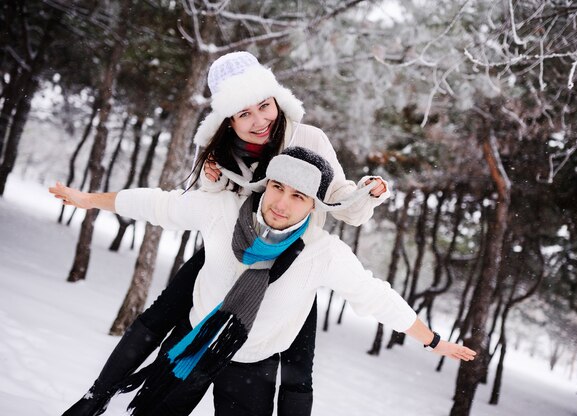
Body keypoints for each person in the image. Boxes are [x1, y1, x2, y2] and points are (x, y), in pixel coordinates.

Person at [58, 51, 390, 416]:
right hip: (233, 253)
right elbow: (204, 205)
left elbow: (337, 196)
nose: (259, 120)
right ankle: (96, 398)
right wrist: (210, 179)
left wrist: (365, 194)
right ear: (228, 119)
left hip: (291, 263)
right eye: (244, 113)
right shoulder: (219, 148)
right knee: (163, 314)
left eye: (264, 106)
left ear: (276, 100)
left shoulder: (308, 139)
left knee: (297, 365)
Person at [50, 146, 477, 416]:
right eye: (277, 187)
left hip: (252, 369)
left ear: (314, 206)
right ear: (264, 185)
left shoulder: (320, 253)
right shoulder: (221, 214)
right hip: (192, 348)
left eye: (298, 196)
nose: (282, 203)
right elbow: (158, 205)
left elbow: (375, 297)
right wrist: (88, 200)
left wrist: (433, 340)